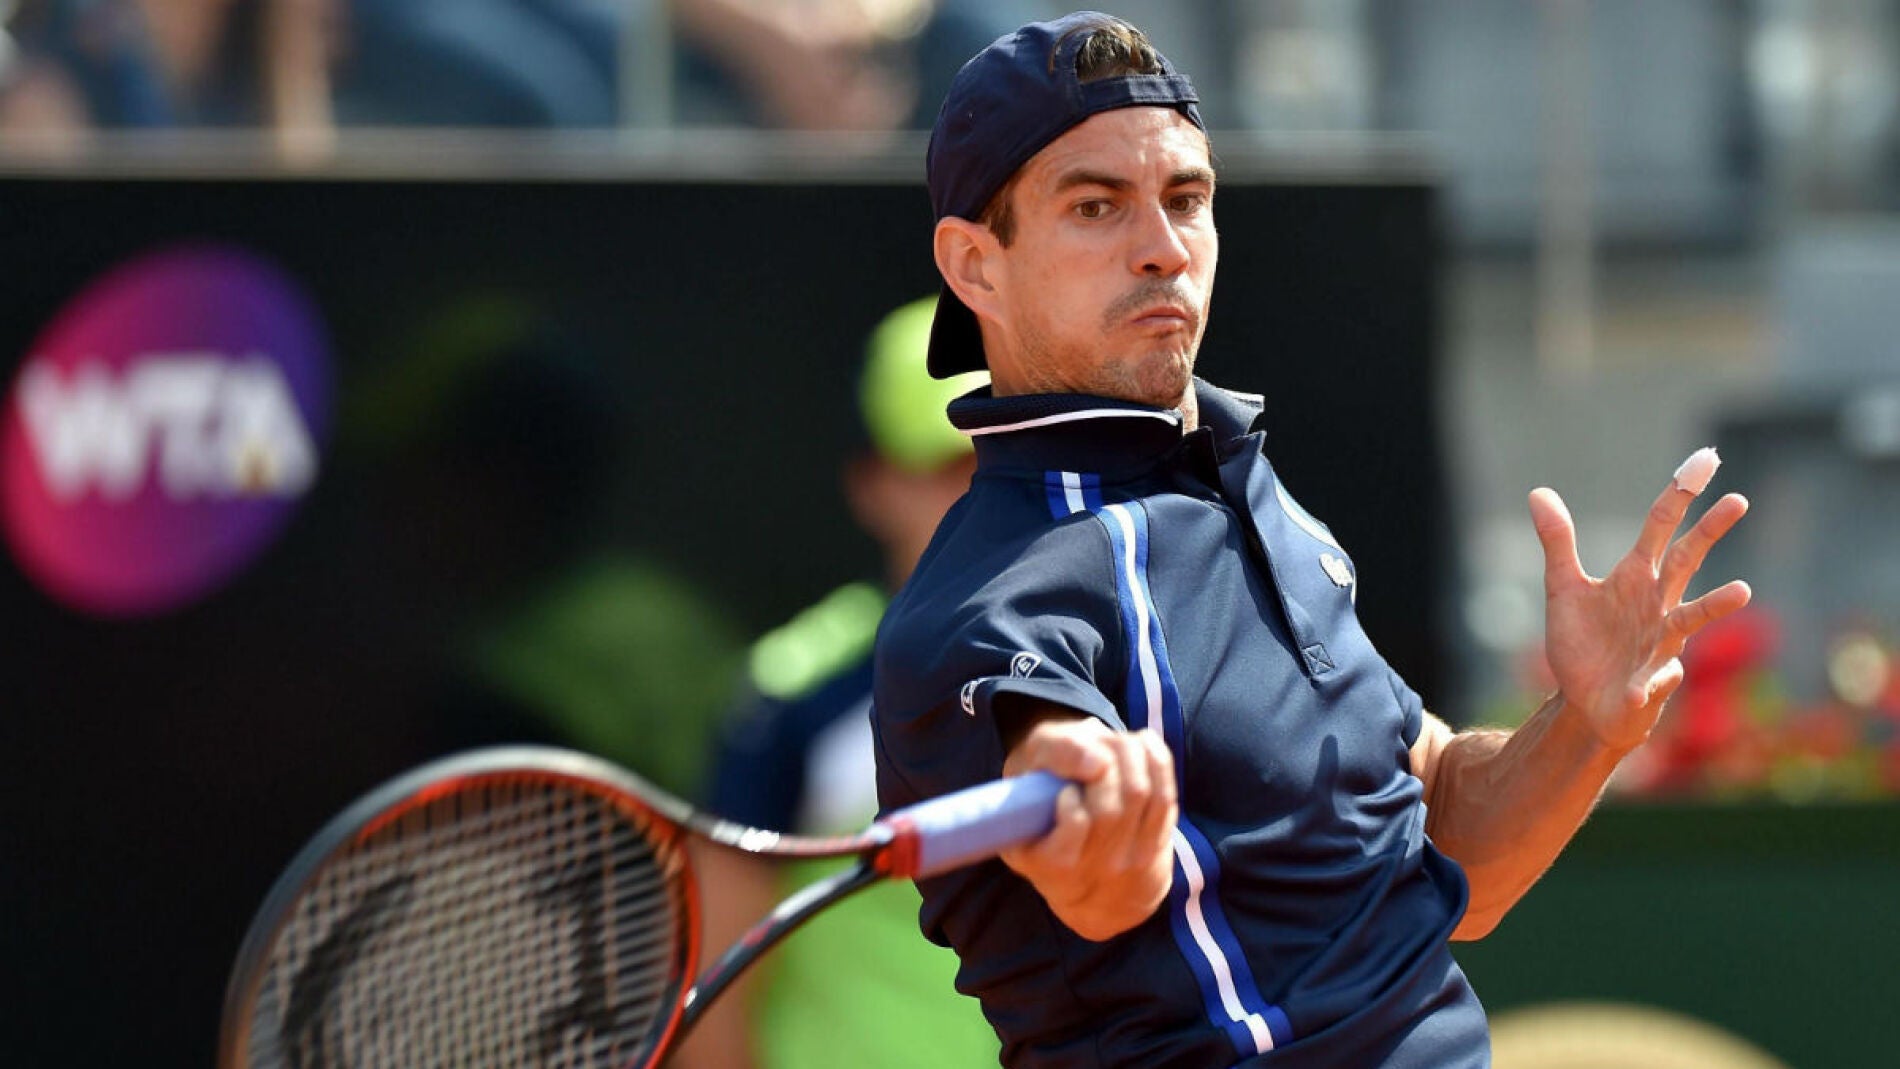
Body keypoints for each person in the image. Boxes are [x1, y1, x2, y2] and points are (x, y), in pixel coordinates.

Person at [871, 11, 1754, 1068]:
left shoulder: (1235, 479)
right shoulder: (983, 616)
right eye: (1095, 206)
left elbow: (1441, 831)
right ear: (974, 265)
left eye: (1185, 200)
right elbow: (1097, 887)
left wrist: (1589, 721)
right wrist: (1097, 814)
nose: (1162, 249)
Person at [676, 296, 1000, 1069]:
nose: (986, 491)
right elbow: (714, 982)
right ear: (872, 484)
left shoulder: (1155, 662)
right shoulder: (794, 695)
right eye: (946, 464)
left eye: (1008, 455)